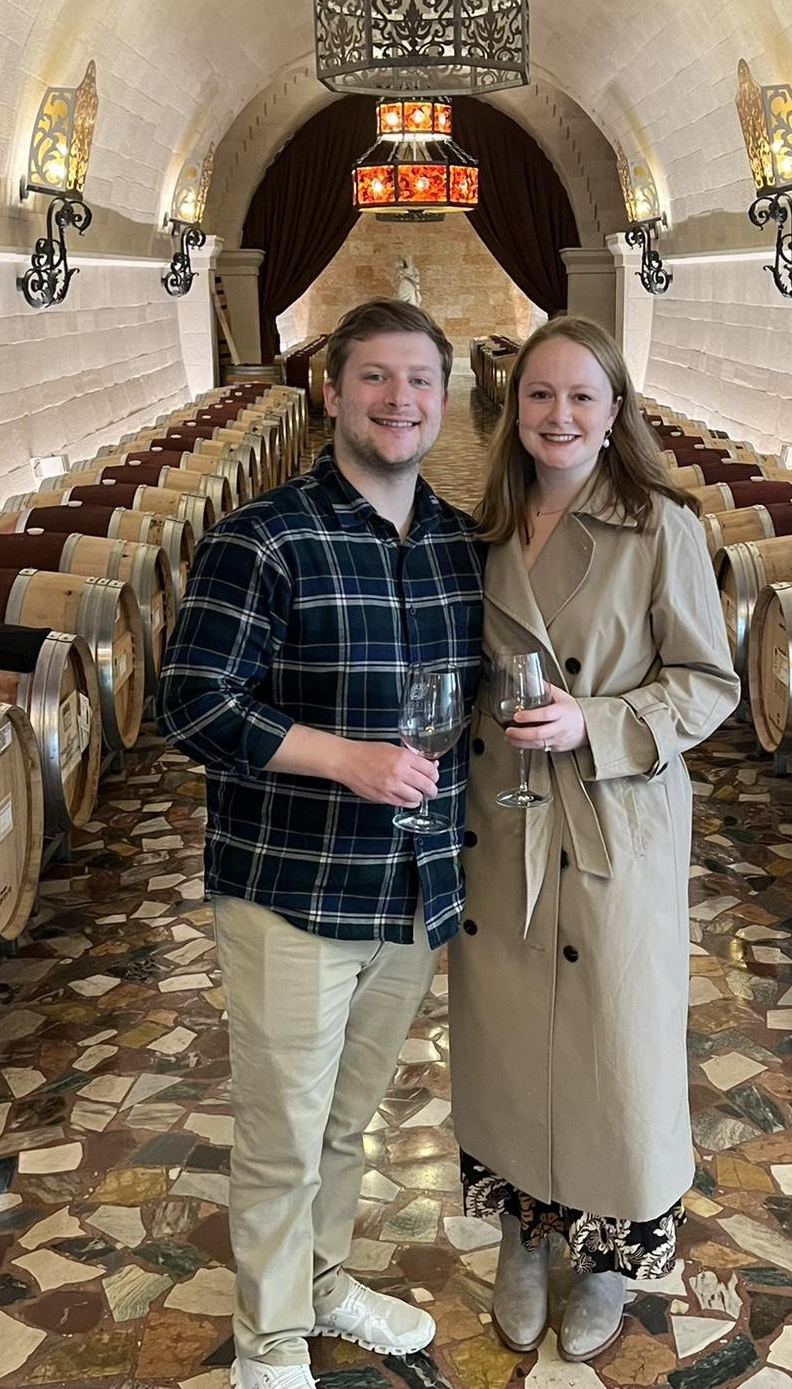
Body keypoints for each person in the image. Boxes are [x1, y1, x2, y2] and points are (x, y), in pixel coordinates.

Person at [157, 298, 484, 1389]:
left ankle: (325, 1280)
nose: (401, 400)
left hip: (412, 885)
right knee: (284, 1135)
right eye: (377, 378)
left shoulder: (458, 544)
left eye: (421, 380)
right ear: (332, 392)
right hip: (292, 887)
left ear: (445, 398)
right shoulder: (263, 537)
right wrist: (345, 759)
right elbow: (193, 702)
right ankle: (269, 1341)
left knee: (348, 1122)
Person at [449, 316, 739, 1361]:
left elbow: (708, 684)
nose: (559, 415)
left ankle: (608, 1254)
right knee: (510, 1040)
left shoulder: (661, 526)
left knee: (615, 1039)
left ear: (616, 411)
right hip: (504, 819)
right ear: (512, 408)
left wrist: (598, 723)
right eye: (540, 395)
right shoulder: (486, 526)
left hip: (615, 818)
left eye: (582, 396)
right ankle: (523, 1240)